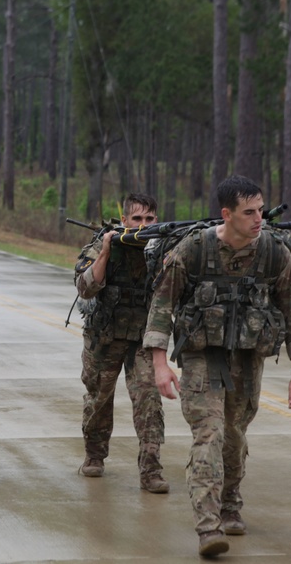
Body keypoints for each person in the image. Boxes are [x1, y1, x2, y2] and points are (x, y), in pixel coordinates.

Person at [143, 175, 291, 557]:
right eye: (249, 212)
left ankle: (231, 500)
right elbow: (162, 306)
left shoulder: (274, 252)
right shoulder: (194, 250)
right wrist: (159, 364)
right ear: (227, 214)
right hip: (203, 356)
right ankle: (208, 526)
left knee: (234, 436)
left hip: (248, 358)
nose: (258, 219)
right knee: (209, 434)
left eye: (261, 211)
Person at [74, 193, 168, 494]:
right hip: (105, 336)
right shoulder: (104, 244)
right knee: (98, 399)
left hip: (143, 338)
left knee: (149, 402)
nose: (143, 225)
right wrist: (104, 251)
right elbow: (85, 288)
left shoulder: (163, 247)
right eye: (137, 219)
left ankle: (151, 470)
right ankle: (94, 455)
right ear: (125, 220)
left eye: (149, 219)